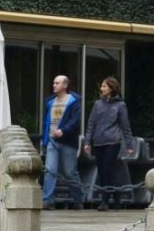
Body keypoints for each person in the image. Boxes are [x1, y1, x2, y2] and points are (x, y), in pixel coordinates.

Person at [83, 76, 134, 211]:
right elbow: (91, 124)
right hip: (98, 142)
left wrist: (129, 145)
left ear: (112, 88)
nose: (102, 89)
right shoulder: (97, 104)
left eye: (104, 86)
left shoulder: (120, 105)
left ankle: (104, 201)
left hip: (113, 142)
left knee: (106, 168)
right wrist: (87, 142)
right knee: (102, 171)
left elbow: (125, 126)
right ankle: (116, 192)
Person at [41, 74, 84, 209]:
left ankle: (78, 199)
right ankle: (48, 200)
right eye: (54, 83)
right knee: (50, 170)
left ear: (65, 85)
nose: (54, 85)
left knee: (70, 172)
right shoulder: (50, 102)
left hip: (67, 142)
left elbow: (75, 121)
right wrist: (45, 139)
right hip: (52, 140)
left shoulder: (74, 102)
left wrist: (63, 131)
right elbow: (46, 122)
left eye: (57, 83)